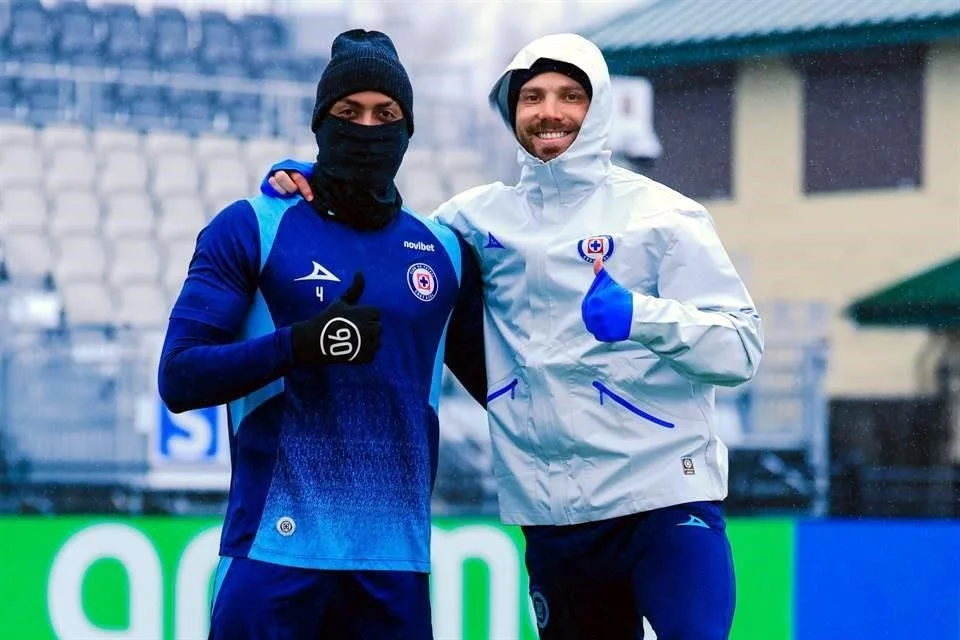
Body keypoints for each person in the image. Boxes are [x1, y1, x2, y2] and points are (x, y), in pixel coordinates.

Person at [264, 32, 764, 640]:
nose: (549, 111)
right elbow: (386, 235)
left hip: (663, 502)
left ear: (598, 107)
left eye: (570, 96)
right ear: (512, 111)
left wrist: (641, 316)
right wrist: (313, 189)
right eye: (532, 97)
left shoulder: (666, 217)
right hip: (554, 520)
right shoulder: (472, 219)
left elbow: (740, 348)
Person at [158, 29, 485, 640]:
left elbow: (508, 388)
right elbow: (179, 377)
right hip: (272, 558)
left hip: (396, 569)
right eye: (348, 112)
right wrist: (300, 345)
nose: (368, 128)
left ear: (407, 129)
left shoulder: (445, 252)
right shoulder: (252, 225)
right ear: (320, 124)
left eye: (385, 114)